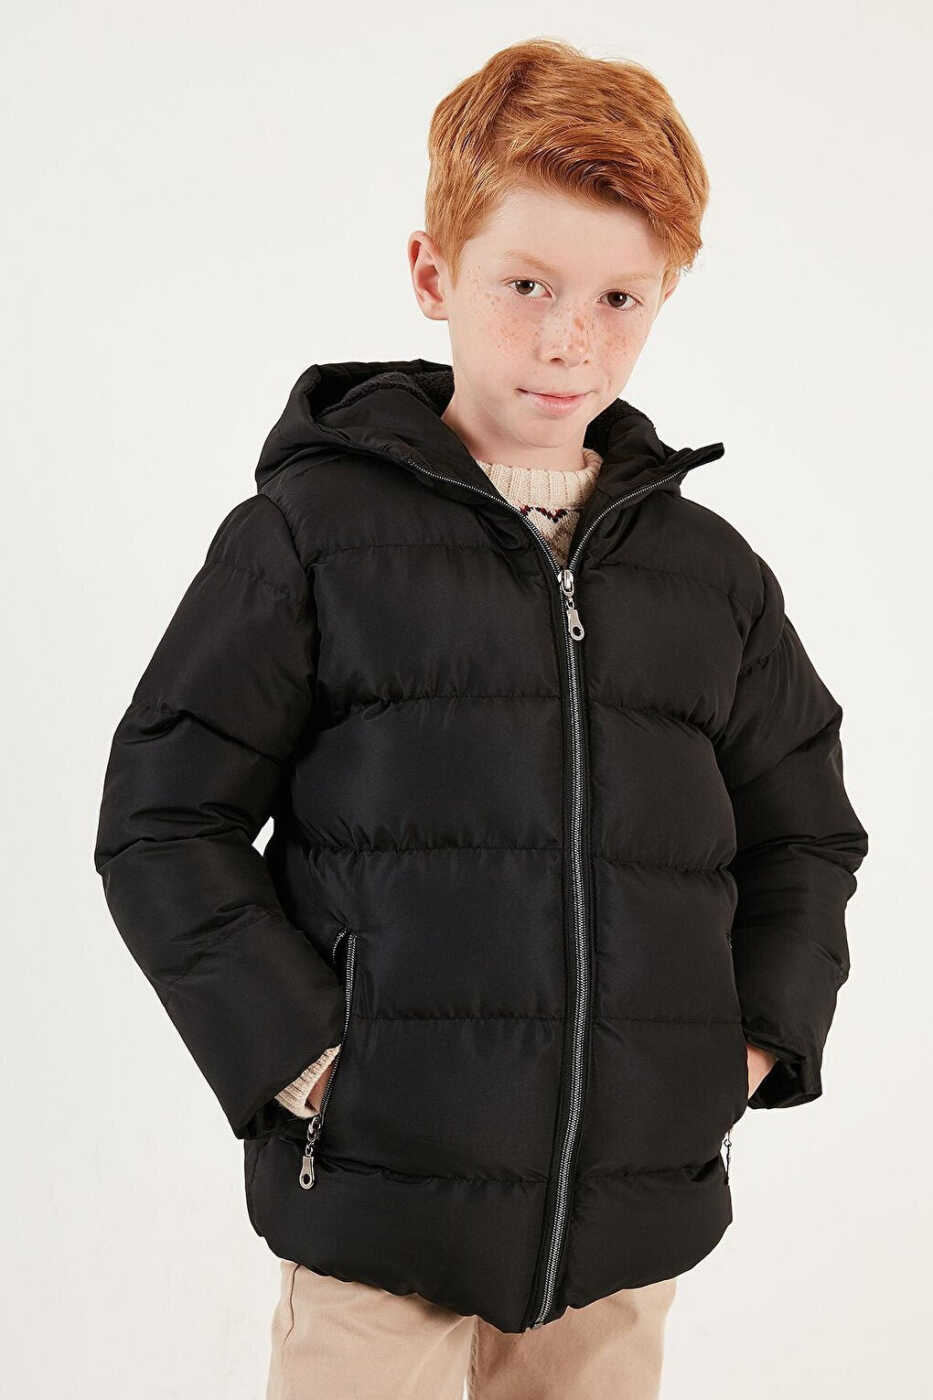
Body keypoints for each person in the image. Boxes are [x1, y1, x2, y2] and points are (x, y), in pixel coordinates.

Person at [92, 36, 869, 1400]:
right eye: (527, 285)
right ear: (433, 273)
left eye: (619, 297)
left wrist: (741, 1049)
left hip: (625, 1220)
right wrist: (305, 1062)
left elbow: (806, 833)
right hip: (380, 1205)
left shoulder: (711, 578)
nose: (570, 338)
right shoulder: (311, 540)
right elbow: (165, 821)